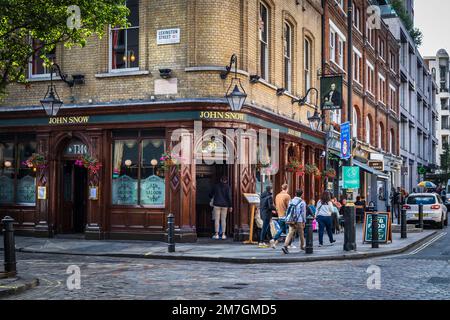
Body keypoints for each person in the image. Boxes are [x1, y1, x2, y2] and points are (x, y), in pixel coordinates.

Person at [282, 189, 307, 254]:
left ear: (295, 194)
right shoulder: (302, 202)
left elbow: (288, 210)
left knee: (290, 233)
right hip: (299, 220)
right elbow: (303, 213)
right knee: (301, 233)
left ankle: (285, 245)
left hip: (291, 220)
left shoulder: (291, 201)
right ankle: (302, 246)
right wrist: (304, 221)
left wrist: (287, 218)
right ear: (301, 194)